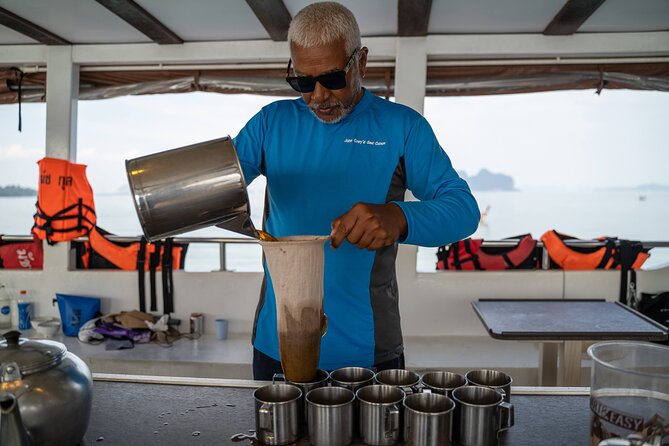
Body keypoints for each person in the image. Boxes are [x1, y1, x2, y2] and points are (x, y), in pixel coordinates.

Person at [233, 2, 480, 380]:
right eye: (302, 81)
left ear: (361, 62)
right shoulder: (270, 124)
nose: (317, 96)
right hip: (277, 341)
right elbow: (215, 187)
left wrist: (399, 217)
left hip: (369, 351)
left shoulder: (403, 127)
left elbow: (464, 210)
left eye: (332, 79)